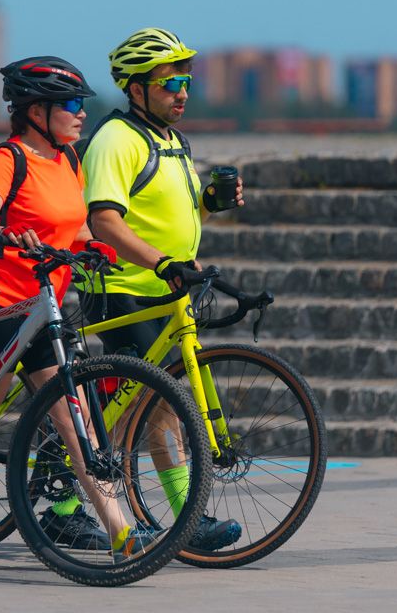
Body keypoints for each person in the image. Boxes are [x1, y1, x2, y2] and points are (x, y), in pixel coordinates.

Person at [0, 56, 151, 570]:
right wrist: (11, 236)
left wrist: (99, 249)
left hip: (43, 311)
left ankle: (122, 533)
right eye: (70, 105)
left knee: (77, 423)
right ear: (35, 111)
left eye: (81, 105)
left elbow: (74, 228)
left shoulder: (68, 160)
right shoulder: (10, 158)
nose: (80, 114)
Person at [78, 27, 245, 552]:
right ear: (135, 88)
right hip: (123, 287)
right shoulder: (115, 140)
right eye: (170, 81)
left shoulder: (172, 141)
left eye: (186, 81)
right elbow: (104, 221)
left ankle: (61, 495)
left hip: (164, 288)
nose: (182, 92)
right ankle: (186, 520)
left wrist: (209, 206)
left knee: (137, 410)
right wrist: (162, 262)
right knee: (161, 407)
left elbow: (169, 217)